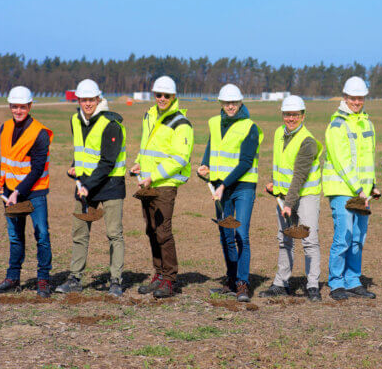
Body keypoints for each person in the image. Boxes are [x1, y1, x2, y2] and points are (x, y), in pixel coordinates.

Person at [55, 79, 128, 297]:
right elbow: (82, 152)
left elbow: (108, 161)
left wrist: (87, 184)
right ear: (78, 100)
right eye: (83, 100)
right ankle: (75, 278)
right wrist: (74, 167)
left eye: (91, 100)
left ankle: (116, 280)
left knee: (114, 234)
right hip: (85, 185)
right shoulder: (75, 120)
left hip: (110, 184)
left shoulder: (112, 124)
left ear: (99, 99)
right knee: (79, 232)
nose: (87, 104)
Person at [197, 84, 263, 302]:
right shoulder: (214, 123)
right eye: (226, 103)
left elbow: (245, 162)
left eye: (234, 102)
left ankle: (243, 283)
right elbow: (211, 147)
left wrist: (224, 184)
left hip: (243, 187)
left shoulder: (250, 127)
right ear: (221, 103)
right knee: (226, 234)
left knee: (240, 234)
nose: (230, 106)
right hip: (220, 186)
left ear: (241, 103)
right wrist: (204, 165)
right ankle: (232, 279)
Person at [0, 86, 54, 297]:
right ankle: (12, 278)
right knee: (15, 236)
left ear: (30, 106)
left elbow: (37, 169)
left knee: (41, 234)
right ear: (10, 106)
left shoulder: (40, 133)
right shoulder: (4, 128)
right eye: (14, 107)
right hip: (10, 191)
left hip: (35, 192)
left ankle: (43, 280)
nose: (18, 111)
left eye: (22, 107)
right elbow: (5, 159)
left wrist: (17, 191)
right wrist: (0, 182)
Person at [130, 76, 193, 298]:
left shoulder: (181, 123)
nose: (162, 98)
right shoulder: (150, 115)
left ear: (174, 96)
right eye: (159, 94)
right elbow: (146, 146)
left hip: (164, 185)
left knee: (163, 232)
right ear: (153, 95)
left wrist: (154, 176)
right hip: (146, 183)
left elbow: (179, 158)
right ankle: (158, 274)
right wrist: (138, 161)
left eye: (167, 95)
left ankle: (169, 279)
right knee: (151, 230)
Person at [322, 76, 380, 301]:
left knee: (358, 238)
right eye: (353, 98)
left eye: (360, 98)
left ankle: (353, 281)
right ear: (345, 98)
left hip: (362, 191)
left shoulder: (367, 123)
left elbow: (368, 158)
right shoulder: (337, 124)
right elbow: (341, 161)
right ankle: (336, 282)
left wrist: (372, 185)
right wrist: (358, 188)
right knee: (343, 236)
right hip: (343, 189)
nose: (357, 102)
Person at [261, 95, 323, 302]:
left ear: (303, 116)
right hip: (285, 195)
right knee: (284, 239)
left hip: (306, 195)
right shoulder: (279, 132)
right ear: (282, 115)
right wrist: (273, 182)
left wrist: (288, 203)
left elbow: (299, 175)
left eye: (295, 115)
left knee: (308, 240)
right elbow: (280, 163)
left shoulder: (308, 141)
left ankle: (312, 285)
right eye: (288, 114)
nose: (291, 118)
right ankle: (281, 283)